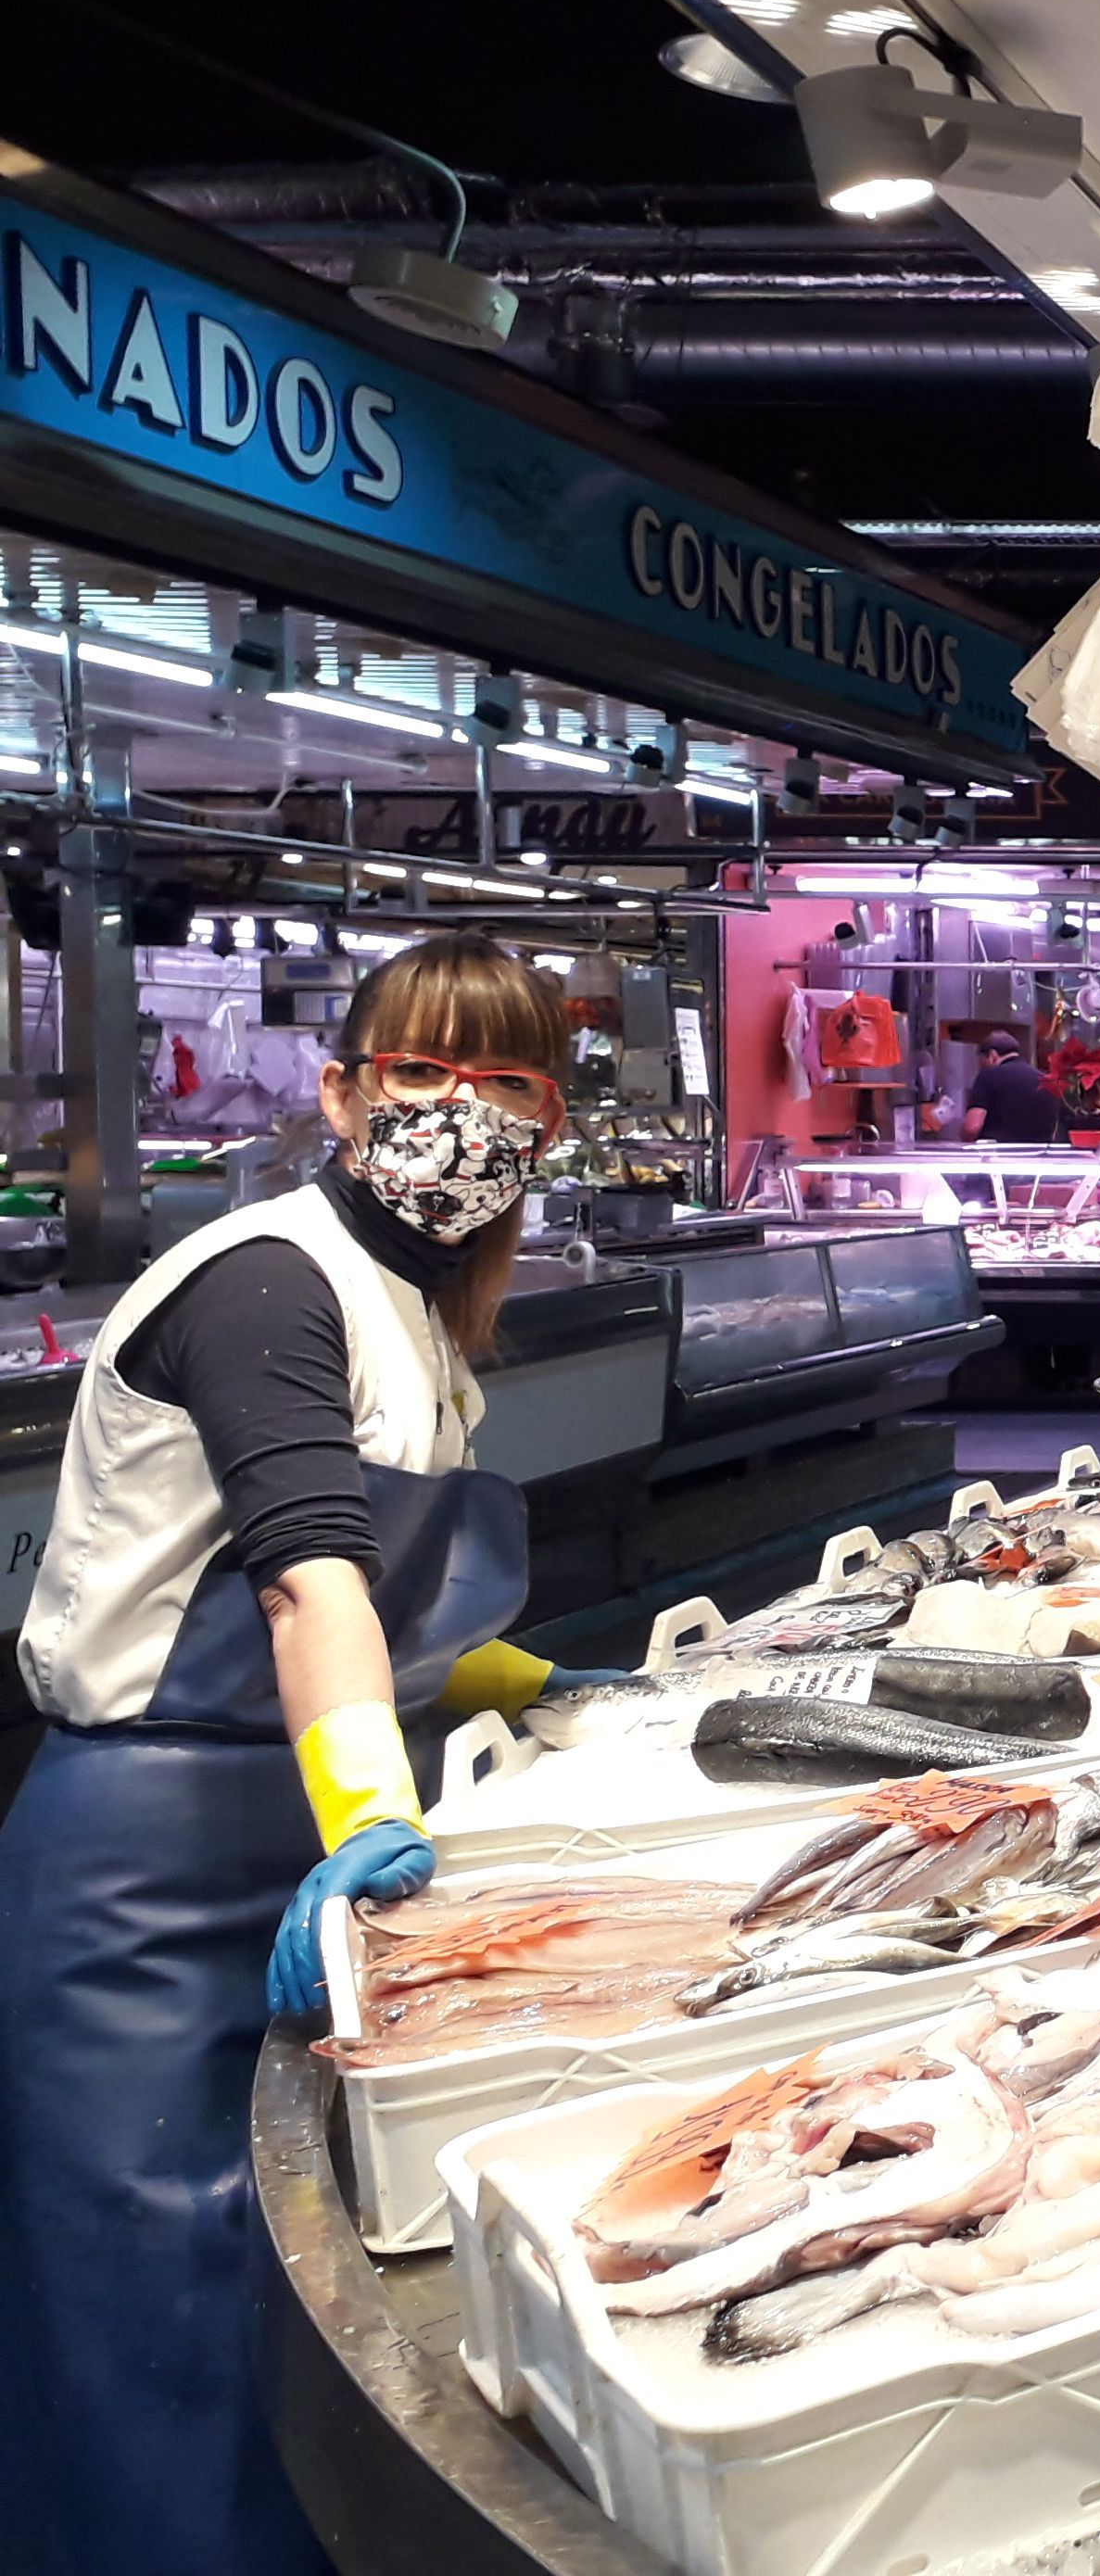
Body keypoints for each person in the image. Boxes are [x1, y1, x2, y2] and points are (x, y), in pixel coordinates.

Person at [0, 936, 617, 2576]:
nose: (457, 1116)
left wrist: (540, 1683)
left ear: (546, 1126)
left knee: (304, 2285)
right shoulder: (269, 1279)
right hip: (151, 1869)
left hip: (296, 1837)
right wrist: (370, 1823)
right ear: (340, 1089)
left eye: (504, 1086)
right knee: (159, 2305)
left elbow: (389, 1596)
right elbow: (301, 1574)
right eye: (420, 1074)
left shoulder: (413, 1308)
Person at [963, 1030, 1063, 1146]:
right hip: (1040, 1158)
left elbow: (972, 1128)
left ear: (992, 1056)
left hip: (998, 1157)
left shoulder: (988, 1076)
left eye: (982, 1063)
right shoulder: (1046, 1080)